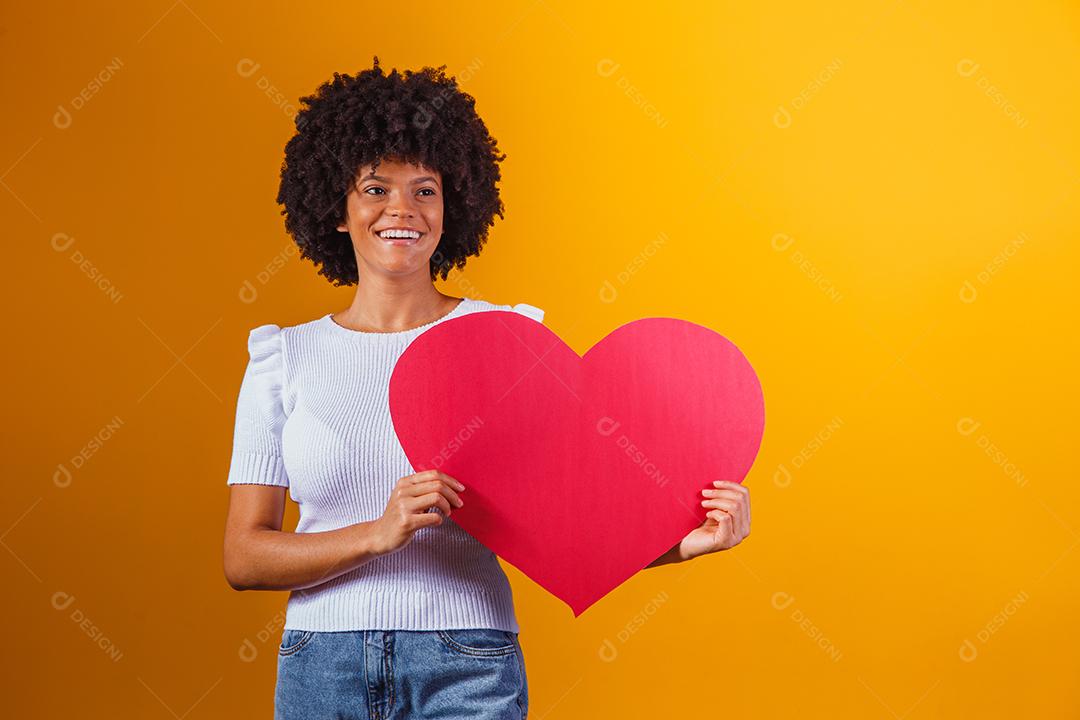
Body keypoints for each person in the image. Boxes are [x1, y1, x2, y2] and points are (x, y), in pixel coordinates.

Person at [222, 56, 750, 719]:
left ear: (453, 206)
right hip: (320, 667)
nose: (401, 210)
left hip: (467, 662)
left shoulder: (507, 343)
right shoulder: (283, 356)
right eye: (375, 189)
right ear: (336, 206)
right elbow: (244, 556)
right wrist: (376, 533)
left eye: (425, 189)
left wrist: (684, 542)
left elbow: (574, 524)